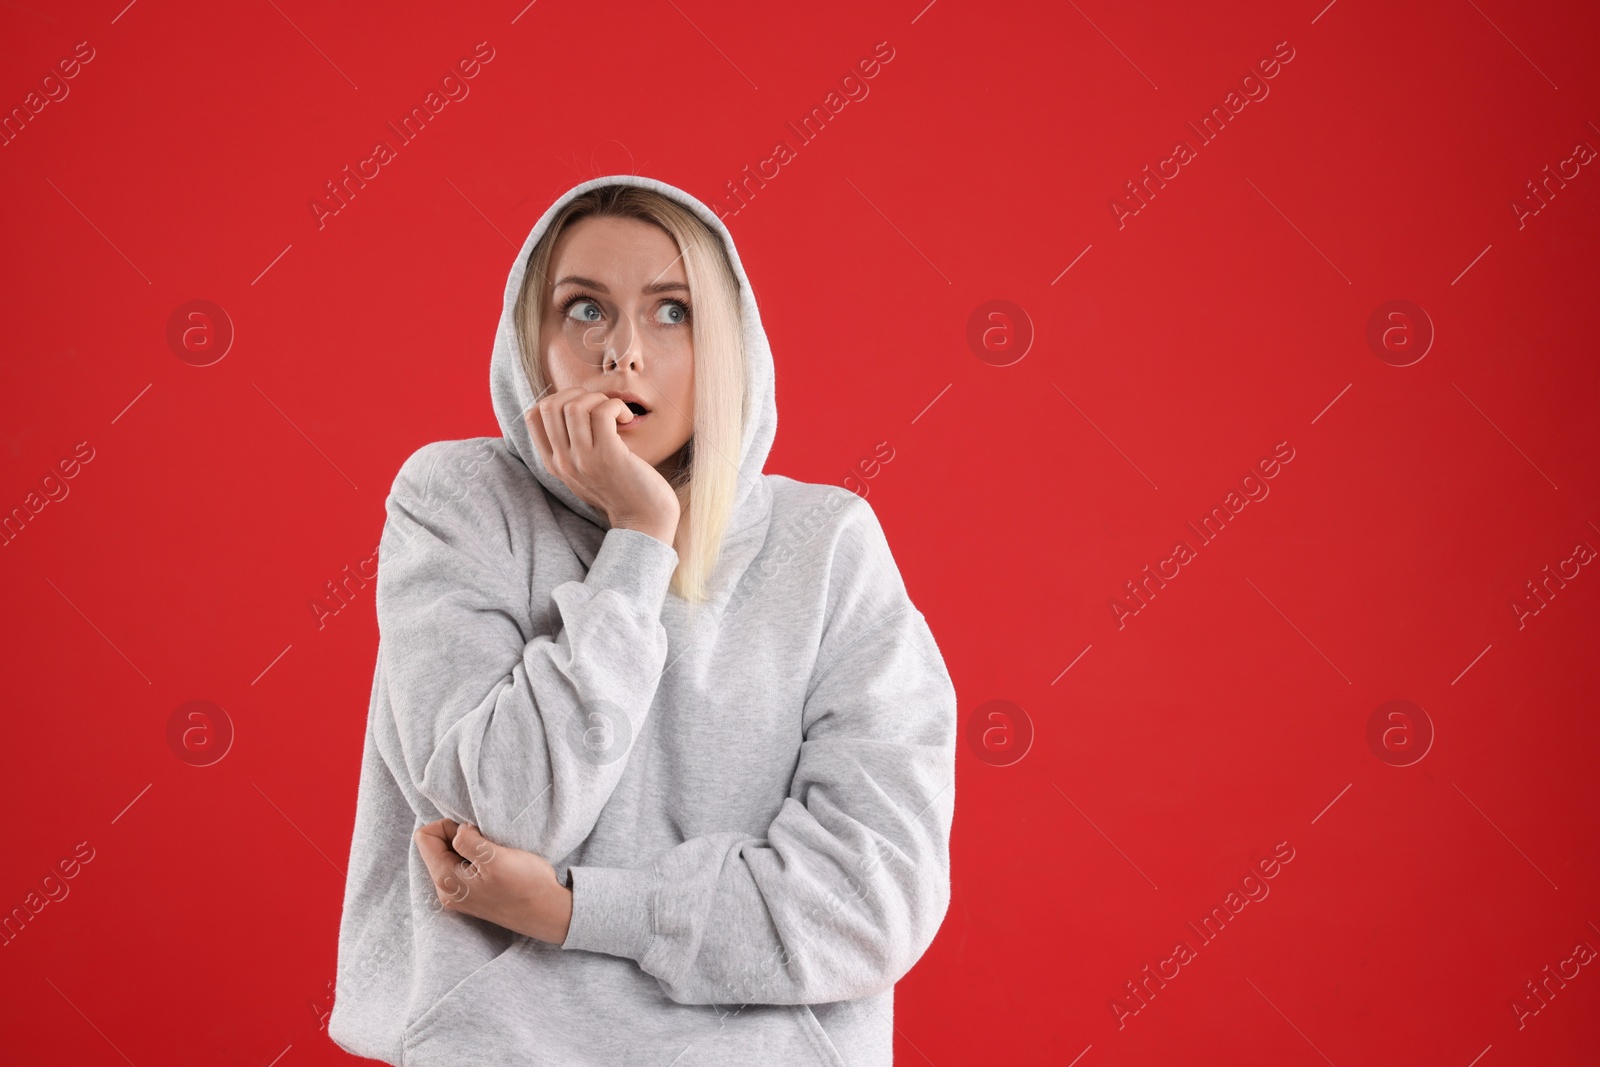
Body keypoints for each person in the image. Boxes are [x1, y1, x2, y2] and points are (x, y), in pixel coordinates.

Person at [328, 174, 957, 1066]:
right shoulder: (458, 503)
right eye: (584, 309)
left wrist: (573, 909)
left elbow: (870, 899)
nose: (622, 352)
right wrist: (638, 539)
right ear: (531, 343)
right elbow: (503, 817)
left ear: (727, 345)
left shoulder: (829, 545)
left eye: (672, 312)